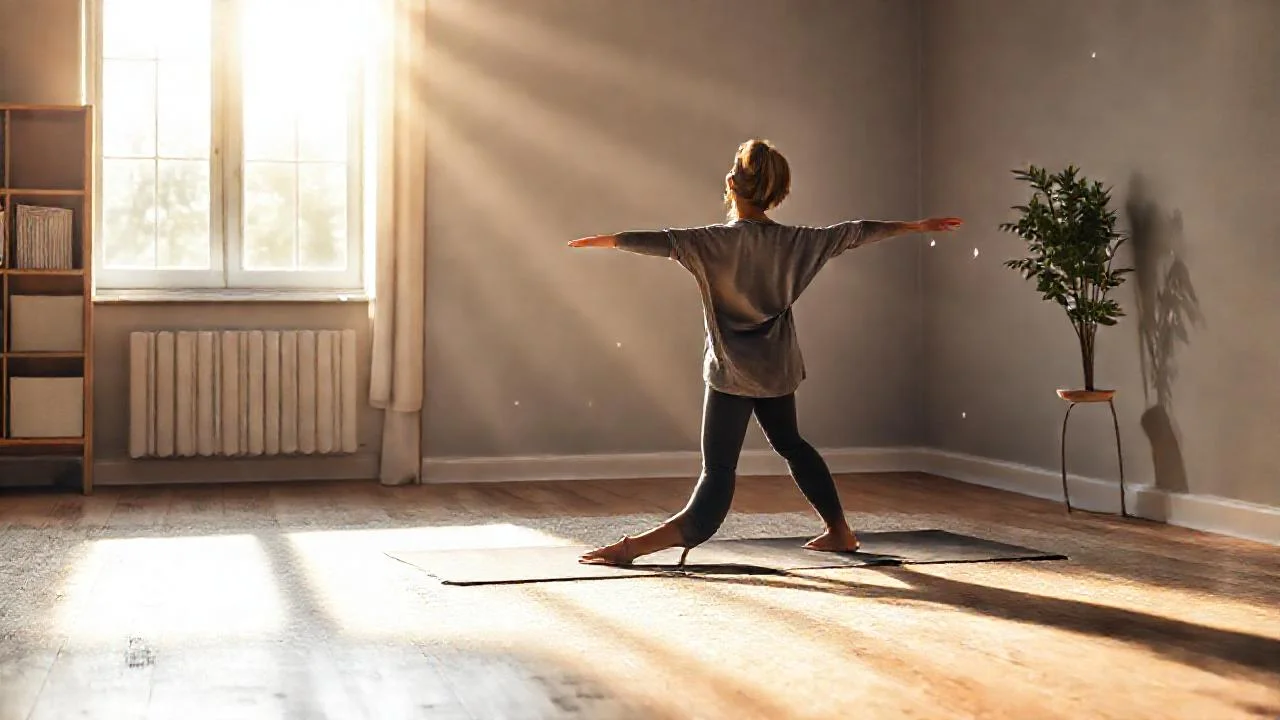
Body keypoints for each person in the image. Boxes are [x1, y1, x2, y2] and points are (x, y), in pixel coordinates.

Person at [567, 138, 962, 566]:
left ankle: (632, 549)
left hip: (732, 374)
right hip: (777, 370)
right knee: (791, 443)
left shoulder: (710, 242)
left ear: (732, 183)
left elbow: (661, 242)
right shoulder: (797, 242)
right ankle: (840, 531)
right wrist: (916, 226)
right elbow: (854, 231)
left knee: (718, 472)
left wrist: (609, 241)